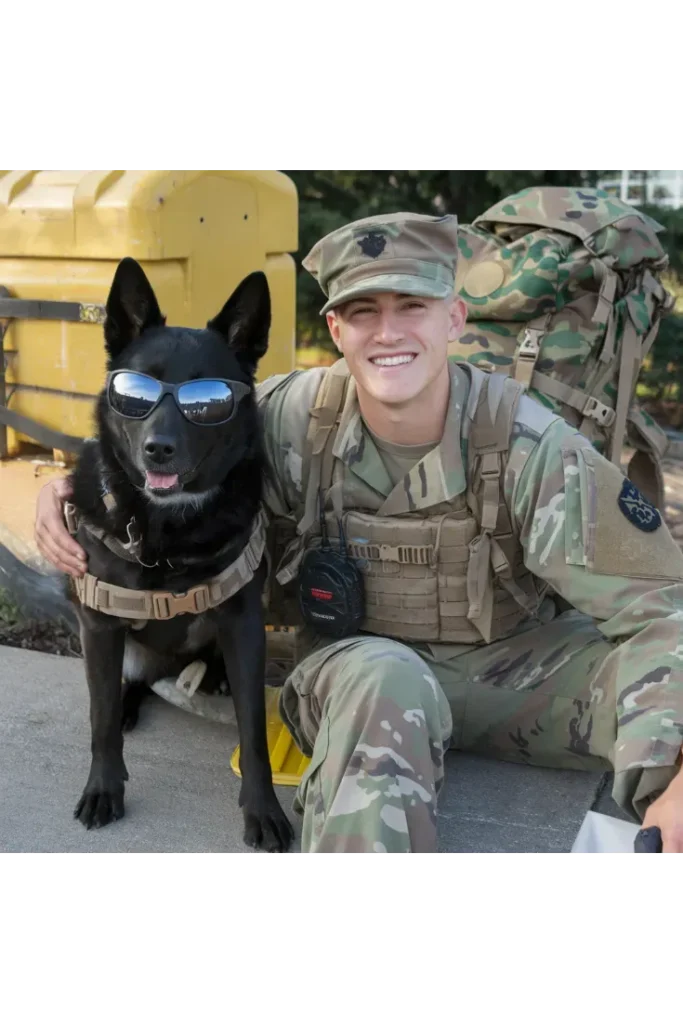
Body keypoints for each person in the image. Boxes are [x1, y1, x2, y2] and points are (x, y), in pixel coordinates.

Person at [34, 211, 683, 856]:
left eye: (412, 305)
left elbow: (663, 608)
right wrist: (64, 490)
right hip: (354, 675)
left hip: (512, 673)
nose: (388, 332)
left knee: (648, 680)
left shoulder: (527, 442)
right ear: (336, 329)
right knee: (385, 678)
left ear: (452, 318)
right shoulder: (287, 418)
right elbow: (151, 445)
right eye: (365, 310)